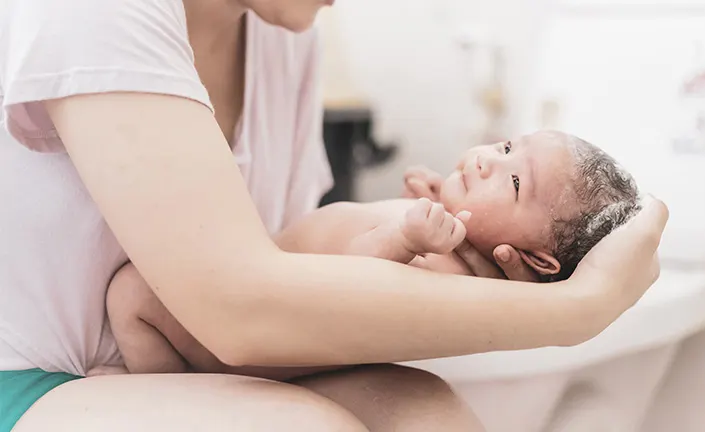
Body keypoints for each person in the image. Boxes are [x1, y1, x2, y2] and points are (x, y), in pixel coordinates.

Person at [0, 0, 668, 431]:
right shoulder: (95, 12)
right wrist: (580, 308)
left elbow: (290, 272)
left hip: (191, 354)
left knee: (431, 419)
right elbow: (239, 311)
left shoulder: (284, 38)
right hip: (24, 377)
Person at [106, 130, 643, 376]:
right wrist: (434, 199)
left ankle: (155, 384)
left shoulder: (449, 271)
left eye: (515, 180)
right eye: (505, 147)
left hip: (242, 344)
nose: (485, 162)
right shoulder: (457, 241)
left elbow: (347, 291)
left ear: (537, 261)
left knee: (130, 292)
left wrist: (405, 238)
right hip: (245, 302)